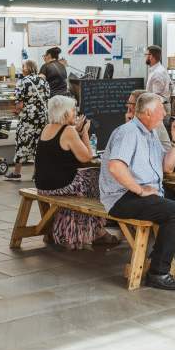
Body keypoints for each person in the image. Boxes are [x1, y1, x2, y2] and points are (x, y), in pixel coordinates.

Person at [99, 93, 175, 291]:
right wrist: (140, 190)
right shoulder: (128, 132)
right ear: (147, 113)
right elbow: (115, 167)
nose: (164, 114)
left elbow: (168, 167)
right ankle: (158, 273)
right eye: (161, 109)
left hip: (147, 191)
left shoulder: (151, 133)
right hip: (122, 197)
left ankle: (160, 258)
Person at [35, 95, 118, 249]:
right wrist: (85, 132)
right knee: (97, 177)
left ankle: (89, 229)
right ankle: (98, 229)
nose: (75, 113)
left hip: (42, 184)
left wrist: (77, 131)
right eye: (73, 110)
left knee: (90, 178)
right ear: (65, 113)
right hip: (60, 186)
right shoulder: (68, 131)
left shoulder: (46, 128)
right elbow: (87, 156)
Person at [5, 60, 50, 181]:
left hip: (28, 118)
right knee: (38, 144)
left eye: (23, 67)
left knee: (22, 142)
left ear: (26, 69)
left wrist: (16, 111)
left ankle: (16, 172)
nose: (22, 69)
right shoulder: (43, 81)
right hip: (42, 117)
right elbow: (47, 98)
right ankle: (37, 173)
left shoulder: (22, 82)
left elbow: (19, 104)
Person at [145, 45, 171, 112]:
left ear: (150, 56)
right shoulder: (156, 70)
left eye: (146, 54)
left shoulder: (157, 73)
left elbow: (155, 97)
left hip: (159, 110)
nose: (145, 57)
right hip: (158, 108)